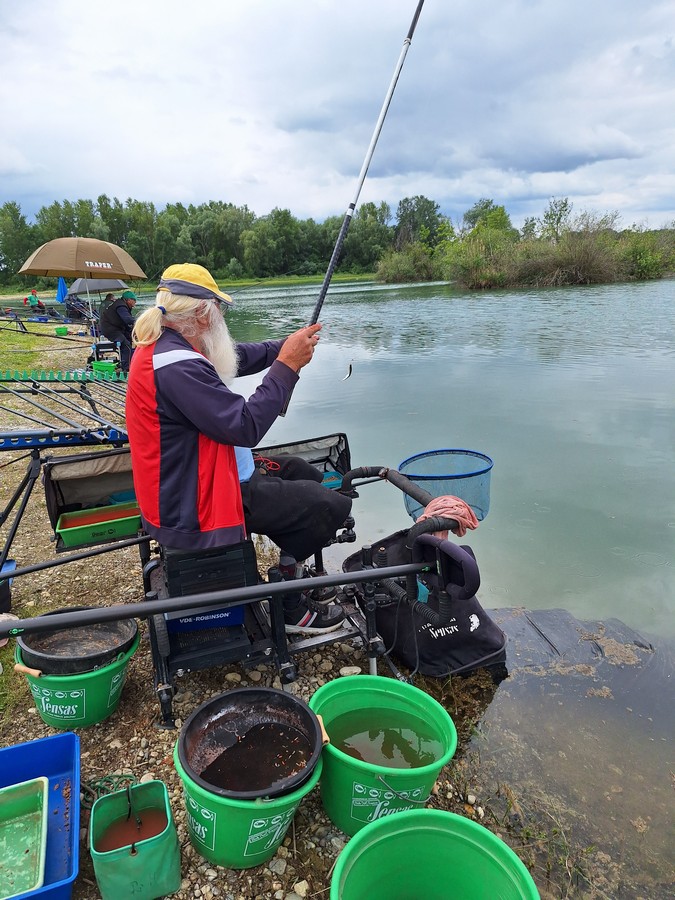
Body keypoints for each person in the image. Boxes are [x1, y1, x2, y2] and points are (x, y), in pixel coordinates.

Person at [125, 263, 352, 635]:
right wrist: (288, 367)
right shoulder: (176, 367)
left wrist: (284, 348)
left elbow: (236, 355)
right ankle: (290, 606)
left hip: (188, 480)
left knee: (303, 471)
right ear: (201, 312)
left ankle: (292, 569)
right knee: (330, 503)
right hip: (194, 503)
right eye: (220, 309)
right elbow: (244, 427)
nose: (222, 317)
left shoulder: (167, 345)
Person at [99, 289, 137, 371]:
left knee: (129, 338)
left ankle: (127, 361)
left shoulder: (121, 304)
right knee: (126, 346)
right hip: (110, 329)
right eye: (134, 300)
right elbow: (127, 319)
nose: (135, 303)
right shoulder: (121, 306)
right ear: (129, 300)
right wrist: (139, 321)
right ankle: (126, 368)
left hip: (116, 327)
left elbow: (126, 323)